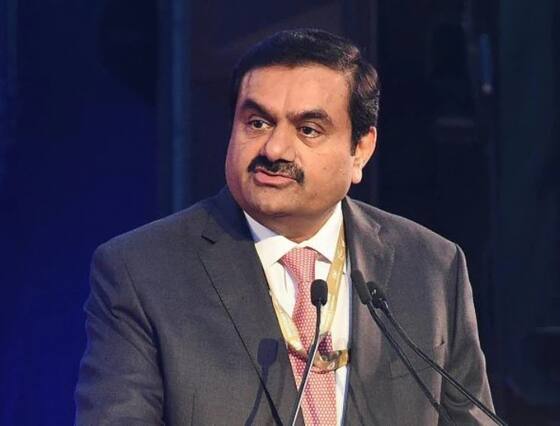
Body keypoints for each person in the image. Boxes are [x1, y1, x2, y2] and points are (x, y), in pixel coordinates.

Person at [75, 29, 494, 425]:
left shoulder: (430, 266)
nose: (275, 149)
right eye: (257, 123)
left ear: (360, 149)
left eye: (308, 130)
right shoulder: (143, 272)